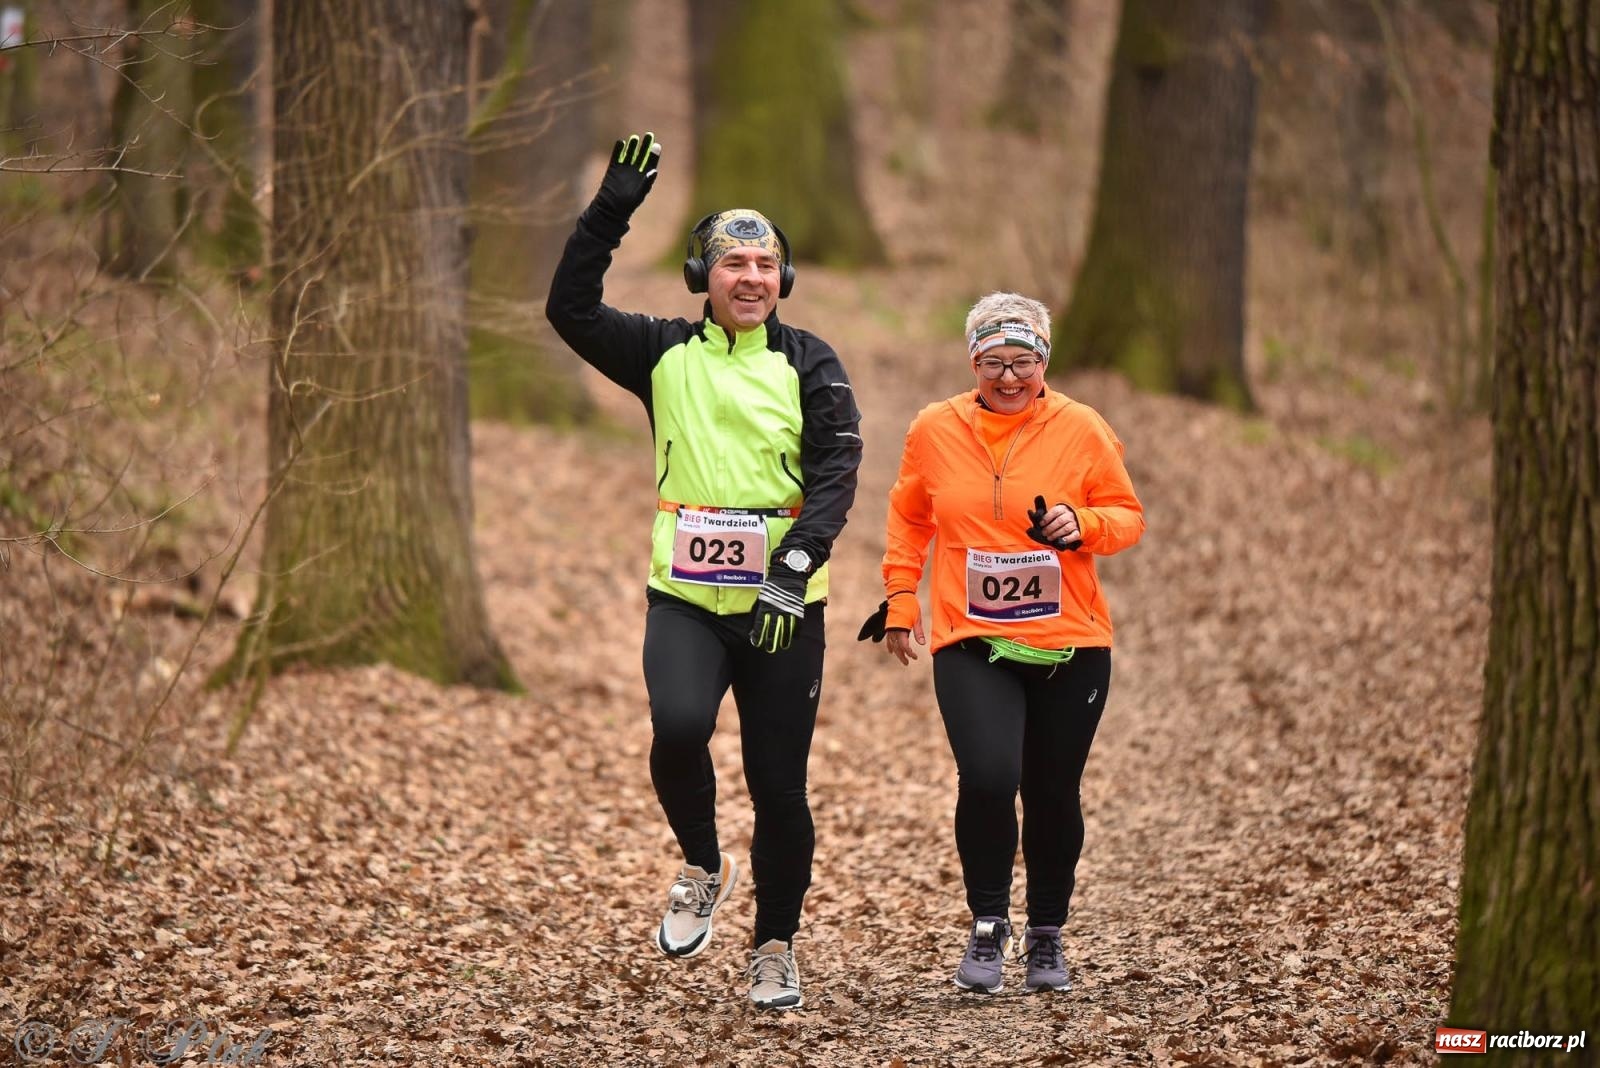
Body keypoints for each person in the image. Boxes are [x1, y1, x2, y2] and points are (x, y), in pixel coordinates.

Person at [546, 133, 862, 1011]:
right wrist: (611, 208)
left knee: (779, 783)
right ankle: (702, 862)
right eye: (733, 263)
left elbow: (839, 465)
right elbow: (568, 309)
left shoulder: (811, 362)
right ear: (703, 278)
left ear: (784, 280)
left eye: (766, 264)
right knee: (678, 729)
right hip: (685, 596)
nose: (751, 277)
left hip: (783, 604)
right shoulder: (660, 354)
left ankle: (775, 946)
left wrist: (795, 565)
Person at [859, 292, 1144, 994]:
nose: (1009, 377)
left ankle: (1046, 933)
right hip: (971, 638)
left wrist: (1086, 524)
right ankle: (989, 922)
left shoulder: (1082, 428)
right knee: (988, 779)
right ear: (972, 361)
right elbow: (910, 516)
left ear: (1044, 361)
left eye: (1023, 361)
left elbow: (1126, 514)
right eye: (993, 362)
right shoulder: (935, 428)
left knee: (1053, 792)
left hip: (1070, 640)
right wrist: (901, 597)